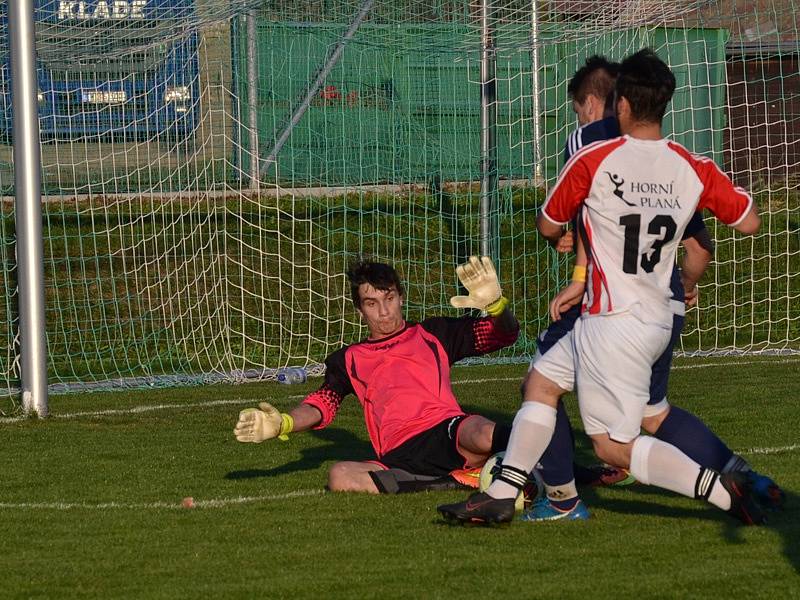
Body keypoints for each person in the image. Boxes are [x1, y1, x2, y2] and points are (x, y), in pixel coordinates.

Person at [438, 49, 767, 526]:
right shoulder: (692, 167)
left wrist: (573, 238)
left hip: (612, 322)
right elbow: (750, 221)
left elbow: (549, 224)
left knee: (611, 447)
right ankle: (504, 492)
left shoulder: (594, 157)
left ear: (623, 105)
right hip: (657, 312)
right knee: (541, 382)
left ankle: (722, 490)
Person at [530, 55, 783, 521]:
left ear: (609, 102)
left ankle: (562, 498)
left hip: (611, 310)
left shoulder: (590, 147)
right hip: (663, 306)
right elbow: (733, 230)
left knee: (600, 436)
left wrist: (580, 274)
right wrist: (686, 281)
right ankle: (745, 476)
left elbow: (563, 222)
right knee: (653, 411)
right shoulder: (686, 164)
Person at [234, 256, 520, 494]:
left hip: (447, 432)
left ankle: (544, 460)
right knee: (340, 476)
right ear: (359, 310)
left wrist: (497, 307)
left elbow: (503, 334)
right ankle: (459, 479)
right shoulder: (349, 359)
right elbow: (322, 405)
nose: (384, 312)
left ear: (400, 297)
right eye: (372, 303)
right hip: (398, 455)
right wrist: (283, 423)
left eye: (390, 298)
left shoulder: (433, 334)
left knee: (483, 434)